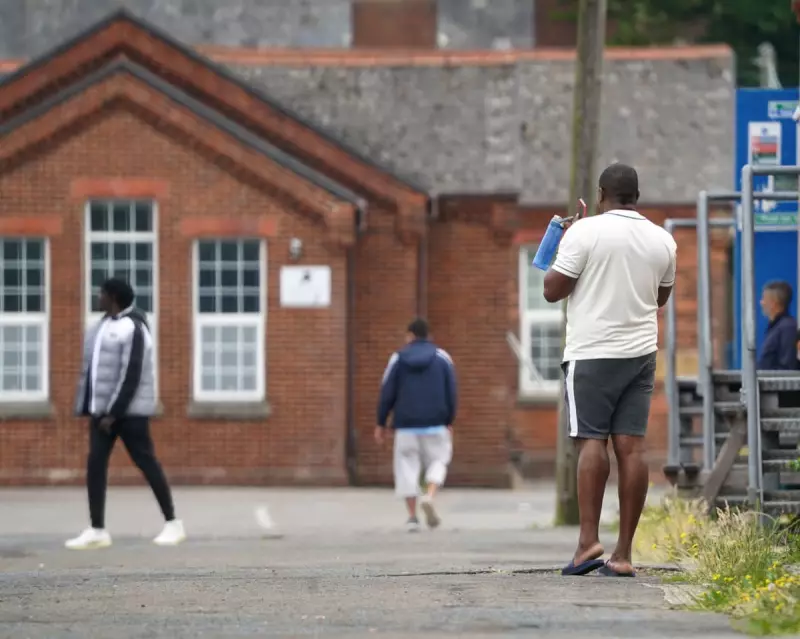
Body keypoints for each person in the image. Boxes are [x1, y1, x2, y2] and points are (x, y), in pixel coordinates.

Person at [542, 163, 677, 577]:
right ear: (636, 195)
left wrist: (564, 244)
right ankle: (623, 554)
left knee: (591, 443)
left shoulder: (584, 232)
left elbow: (551, 290)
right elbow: (661, 297)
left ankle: (587, 542)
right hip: (640, 354)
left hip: (592, 353)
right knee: (632, 448)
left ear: (601, 194)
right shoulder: (663, 240)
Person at [66, 279, 186, 549]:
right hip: (102, 414)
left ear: (113, 297)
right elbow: (92, 371)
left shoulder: (134, 326)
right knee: (95, 465)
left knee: (146, 462)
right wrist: (90, 407)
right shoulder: (100, 326)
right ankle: (97, 529)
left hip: (129, 413)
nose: (98, 298)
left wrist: (115, 412)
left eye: (101, 294)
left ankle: (173, 523)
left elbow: (132, 372)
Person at [375, 318, 457, 532]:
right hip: (436, 423)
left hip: (406, 425)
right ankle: (429, 494)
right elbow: (452, 392)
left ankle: (412, 517)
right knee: (439, 460)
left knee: (406, 467)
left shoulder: (398, 359)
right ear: (428, 335)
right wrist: (449, 420)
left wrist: (381, 423)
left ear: (410, 335)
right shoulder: (442, 357)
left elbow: (387, 393)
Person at [757, 280, 798, 371]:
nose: (761, 302)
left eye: (764, 299)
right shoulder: (776, 327)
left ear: (774, 303)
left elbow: (787, 367)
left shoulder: (788, 328)